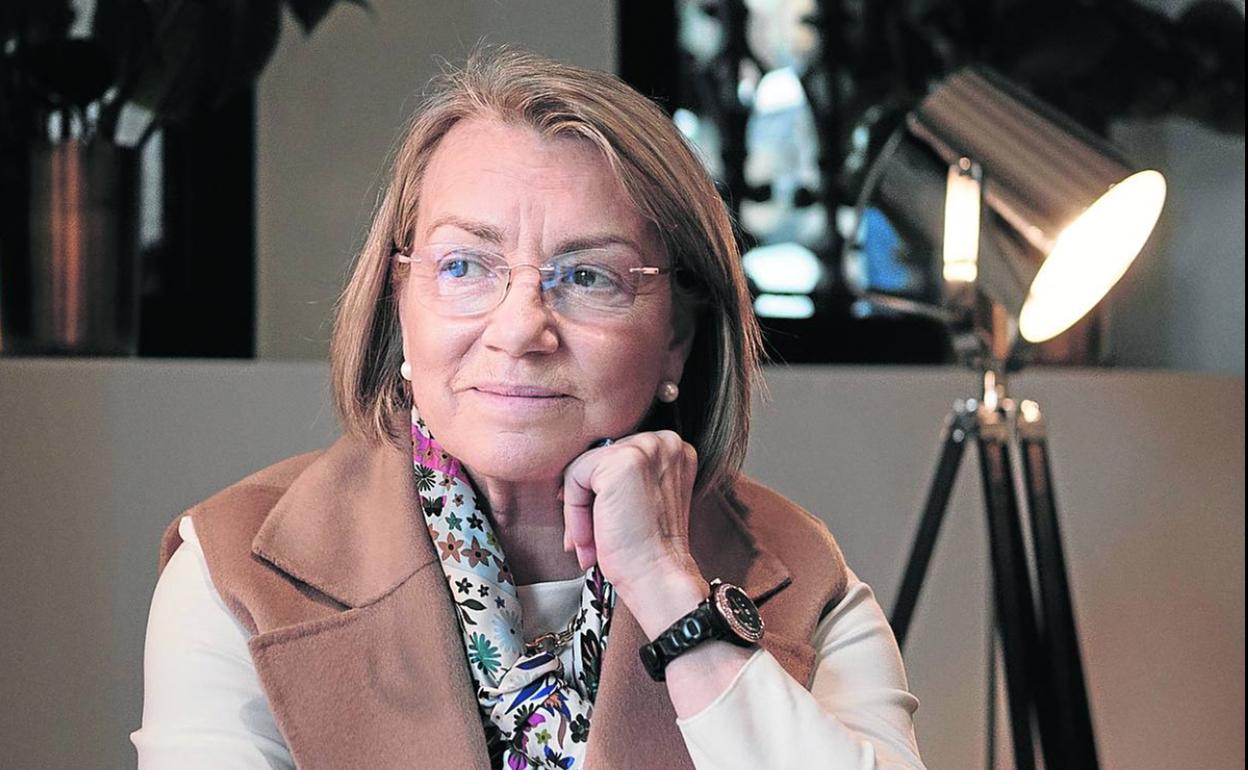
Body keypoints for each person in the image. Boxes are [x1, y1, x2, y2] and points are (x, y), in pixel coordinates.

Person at [130, 46, 926, 770]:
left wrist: (671, 594)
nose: (518, 330)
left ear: (677, 337)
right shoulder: (235, 573)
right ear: (400, 301)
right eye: (464, 265)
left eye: (588, 277)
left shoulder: (804, 576)